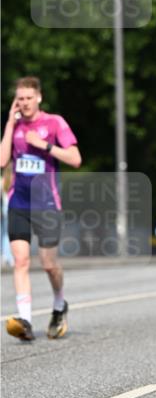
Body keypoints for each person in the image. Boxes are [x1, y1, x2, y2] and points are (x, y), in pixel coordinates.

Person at [0, 76, 82, 341]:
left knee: (48, 264)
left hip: (46, 204)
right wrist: (10, 124)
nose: (24, 103)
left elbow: (75, 159)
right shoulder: (15, 126)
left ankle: (59, 304)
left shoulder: (54, 122)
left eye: (28, 98)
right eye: (19, 98)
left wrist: (44, 145)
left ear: (39, 98)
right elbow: (3, 161)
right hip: (19, 203)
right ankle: (25, 319)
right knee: (21, 261)